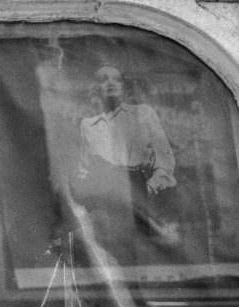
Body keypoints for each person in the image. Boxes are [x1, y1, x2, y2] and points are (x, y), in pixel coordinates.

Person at [73, 61, 180, 266]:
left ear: (124, 86)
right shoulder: (88, 126)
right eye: (103, 80)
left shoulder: (143, 114)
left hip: (140, 191)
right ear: (96, 88)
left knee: (148, 254)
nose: (110, 84)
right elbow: (83, 169)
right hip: (106, 196)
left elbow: (164, 159)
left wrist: (149, 188)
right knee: (115, 256)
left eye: (116, 79)